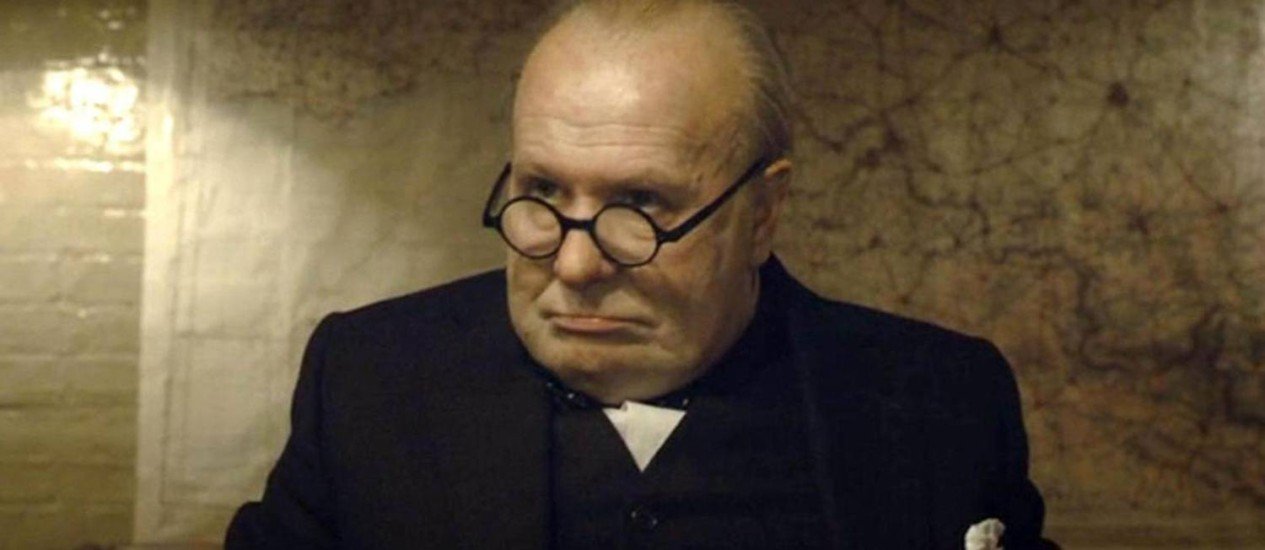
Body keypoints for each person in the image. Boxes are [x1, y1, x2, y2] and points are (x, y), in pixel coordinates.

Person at [227, 1, 1056, 548]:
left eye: (643, 204)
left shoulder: (939, 402)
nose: (574, 263)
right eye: (541, 191)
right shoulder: (370, 377)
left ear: (762, 214)